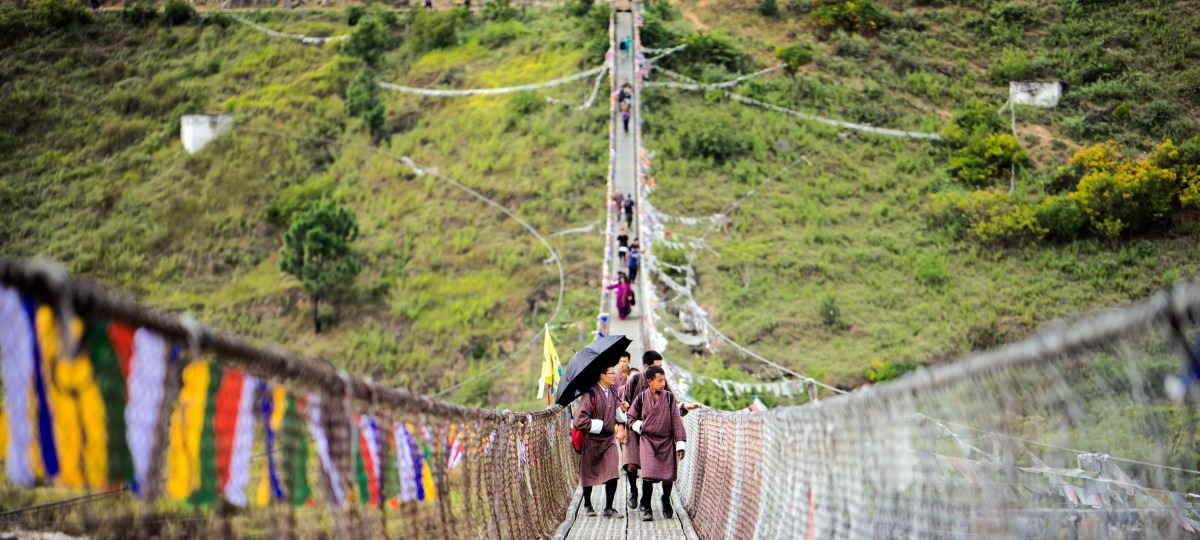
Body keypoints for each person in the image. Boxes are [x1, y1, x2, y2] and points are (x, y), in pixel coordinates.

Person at [619, 351, 701, 510]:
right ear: (646, 367)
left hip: (659, 432)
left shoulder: (662, 382)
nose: (662, 377)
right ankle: (634, 491)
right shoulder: (635, 380)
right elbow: (624, 404)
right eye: (658, 367)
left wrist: (684, 406)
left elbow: (672, 403)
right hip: (637, 428)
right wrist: (623, 419)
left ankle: (656, 500)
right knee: (632, 464)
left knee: (659, 470)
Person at [627, 365, 686, 521]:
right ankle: (647, 506)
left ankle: (666, 500)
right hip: (648, 440)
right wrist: (640, 426)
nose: (663, 384)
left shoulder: (669, 398)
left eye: (664, 380)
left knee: (668, 476)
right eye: (660, 381)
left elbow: (676, 420)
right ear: (650, 382)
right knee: (648, 476)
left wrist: (680, 443)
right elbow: (630, 417)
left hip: (667, 441)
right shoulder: (640, 398)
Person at [574, 366, 627, 518]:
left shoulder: (614, 392)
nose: (614, 376)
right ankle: (587, 504)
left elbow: (619, 417)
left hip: (609, 440)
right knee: (588, 472)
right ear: (602, 375)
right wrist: (601, 425)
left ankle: (609, 507)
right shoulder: (590, 394)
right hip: (591, 441)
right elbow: (580, 421)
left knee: (612, 470)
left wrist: (623, 409)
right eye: (611, 373)